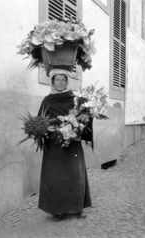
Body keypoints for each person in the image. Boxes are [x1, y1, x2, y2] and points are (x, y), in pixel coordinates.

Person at [37, 68, 92, 220]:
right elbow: (40, 121)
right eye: (57, 80)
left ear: (67, 82)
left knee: (76, 175)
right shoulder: (47, 100)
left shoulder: (74, 99)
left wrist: (78, 128)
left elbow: (84, 119)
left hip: (72, 143)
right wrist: (48, 128)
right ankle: (57, 210)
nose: (60, 83)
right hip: (54, 146)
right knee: (56, 177)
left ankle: (77, 208)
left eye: (63, 80)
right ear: (53, 82)